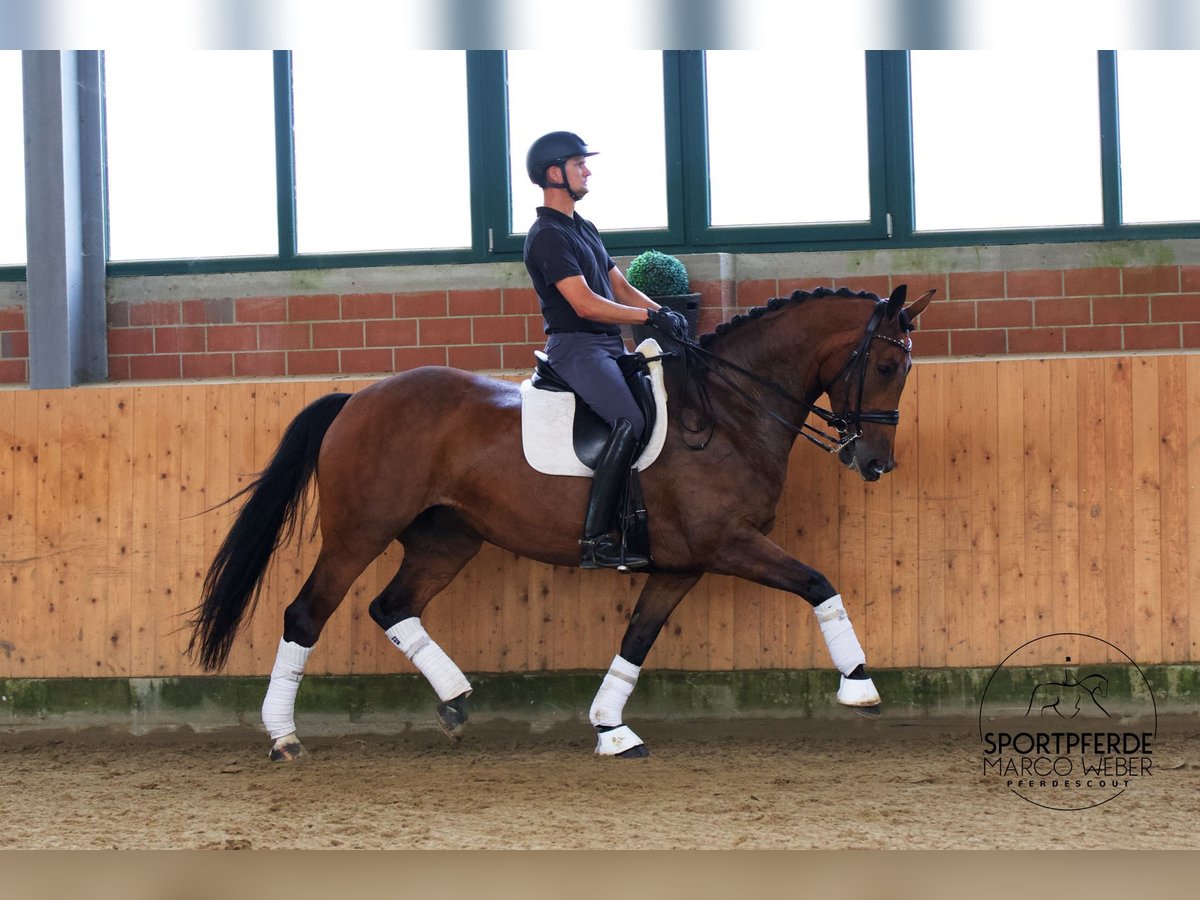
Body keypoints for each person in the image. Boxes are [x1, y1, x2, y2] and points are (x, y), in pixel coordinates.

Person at [522, 131, 690, 571]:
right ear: (554, 173)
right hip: (576, 348)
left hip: (608, 345)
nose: (587, 170)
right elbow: (583, 303)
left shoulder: (583, 228)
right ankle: (596, 538)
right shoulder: (546, 236)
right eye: (579, 164)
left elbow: (619, 286)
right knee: (630, 419)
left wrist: (663, 311)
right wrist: (647, 320)